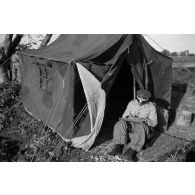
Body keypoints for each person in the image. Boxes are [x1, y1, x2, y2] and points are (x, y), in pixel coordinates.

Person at [109, 89, 157, 161]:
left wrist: (146, 120)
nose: (140, 102)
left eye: (143, 101)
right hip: (131, 124)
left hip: (141, 126)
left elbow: (154, 123)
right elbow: (124, 116)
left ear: (147, 99)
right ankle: (118, 147)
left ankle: (131, 152)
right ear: (137, 97)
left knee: (142, 126)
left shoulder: (151, 107)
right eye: (139, 100)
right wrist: (129, 118)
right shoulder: (132, 103)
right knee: (120, 123)